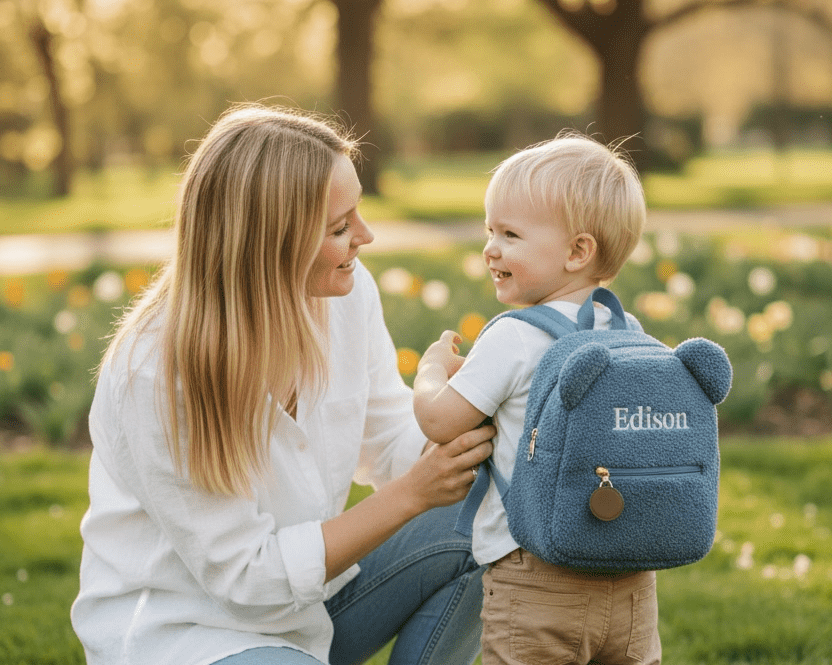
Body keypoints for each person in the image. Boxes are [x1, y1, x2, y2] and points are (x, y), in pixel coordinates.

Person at [70, 103, 496, 665]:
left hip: (315, 604)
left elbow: (391, 443)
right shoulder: (155, 374)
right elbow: (246, 578)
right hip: (188, 630)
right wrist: (412, 494)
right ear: (269, 244)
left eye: (357, 214)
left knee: (486, 529)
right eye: (340, 227)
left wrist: (463, 407)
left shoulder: (344, 294)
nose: (364, 237)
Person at [412, 133, 661, 665]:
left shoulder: (513, 336)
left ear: (578, 251)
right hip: (632, 577)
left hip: (537, 578)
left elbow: (440, 420)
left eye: (510, 234)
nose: (490, 249)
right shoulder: (630, 331)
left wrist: (431, 372)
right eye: (489, 231)